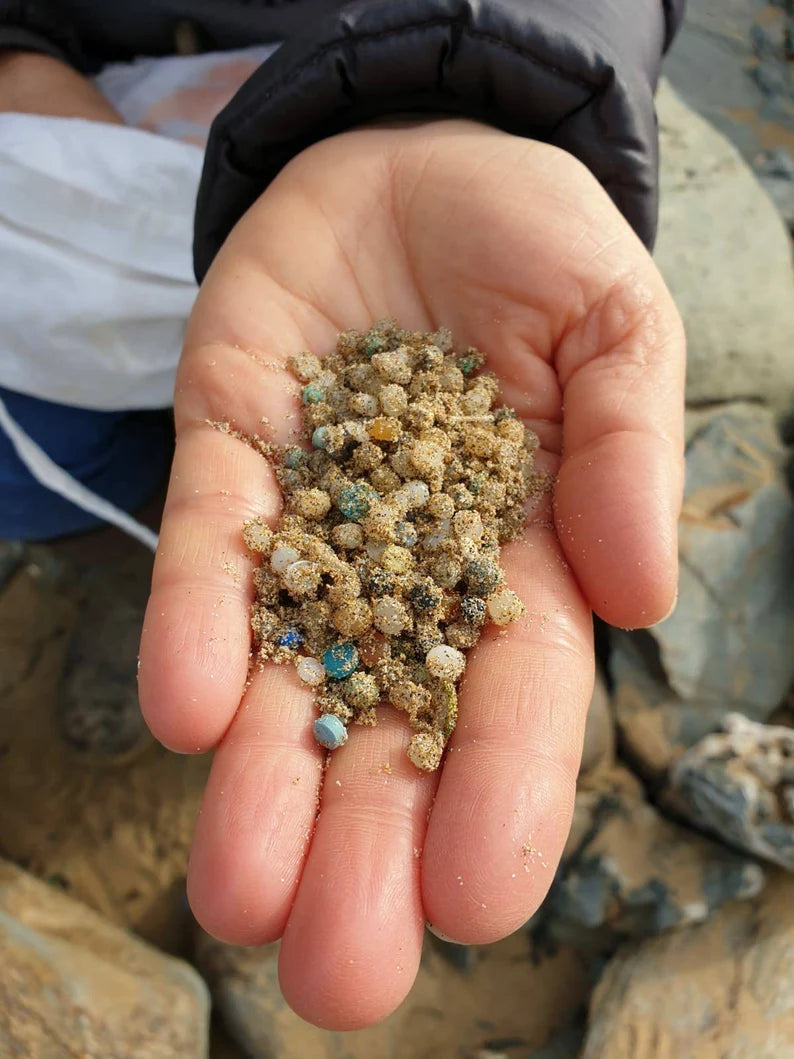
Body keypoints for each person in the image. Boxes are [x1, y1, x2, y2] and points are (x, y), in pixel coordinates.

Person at [0, 0, 686, 1031]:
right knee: (60, 475)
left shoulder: (410, 483)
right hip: (56, 174)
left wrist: (463, 87)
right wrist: (19, 67)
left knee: (210, 488)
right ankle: (122, 580)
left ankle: (147, 593)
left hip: (325, 129)